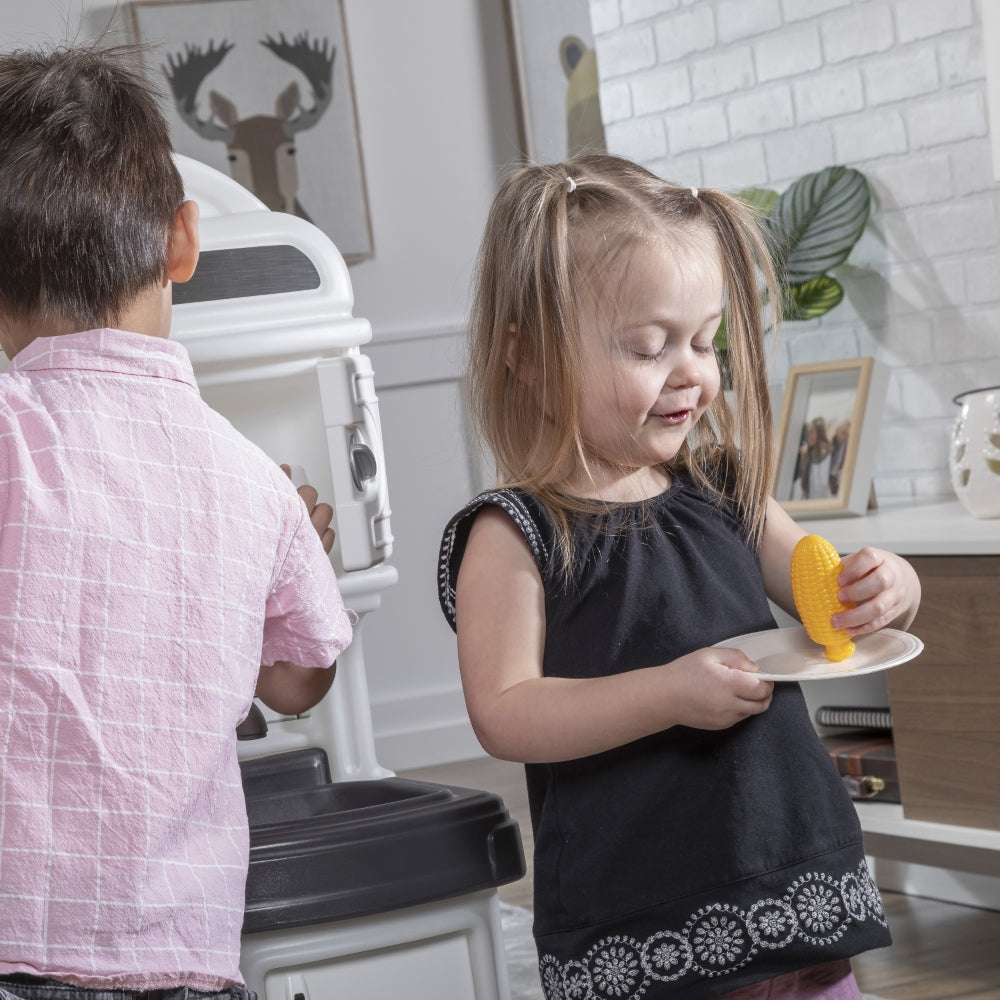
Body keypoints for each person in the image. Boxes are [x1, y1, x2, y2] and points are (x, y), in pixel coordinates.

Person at [437, 154, 921, 1000]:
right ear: (531, 356)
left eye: (705, 340)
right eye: (647, 346)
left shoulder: (728, 488)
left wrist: (882, 587)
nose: (693, 371)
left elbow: (828, 604)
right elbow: (506, 712)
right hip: (645, 908)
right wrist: (665, 693)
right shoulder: (513, 534)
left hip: (790, 875)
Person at [0, 44, 353, 999]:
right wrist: (295, 556)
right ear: (184, 244)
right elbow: (294, 681)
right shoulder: (254, 483)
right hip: (181, 956)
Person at [794, 417, 833, 501]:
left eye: (812, 432)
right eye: (808, 433)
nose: (809, 436)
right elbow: (804, 484)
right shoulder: (807, 454)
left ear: (819, 433)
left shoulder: (828, 454)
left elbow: (823, 484)